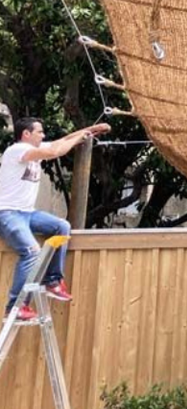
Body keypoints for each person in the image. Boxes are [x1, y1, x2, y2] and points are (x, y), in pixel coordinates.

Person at [0, 117, 109, 321]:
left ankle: (52, 281)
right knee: (31, 251)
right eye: (39, 132)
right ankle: (15, 307)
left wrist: (91, 129)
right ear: (26, 134)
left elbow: (62, 140)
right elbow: (55, 151)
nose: (43, 135)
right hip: (7, 213)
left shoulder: (35, 149)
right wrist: (80, 137)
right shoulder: (17, 150)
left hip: (27, 213)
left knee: (62, 226)